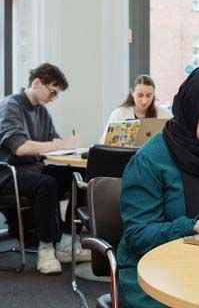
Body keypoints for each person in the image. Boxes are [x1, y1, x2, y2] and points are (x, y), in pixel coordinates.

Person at [117, 65, 199, 307]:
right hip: (153, 277)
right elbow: (138, 235)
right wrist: (193, 226)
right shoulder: (150, 160)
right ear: (192, 107)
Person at [0, 63, 89, 274]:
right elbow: (20, 148)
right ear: (37, 82)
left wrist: (69, 145)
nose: (53, 98)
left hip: (33, 170)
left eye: (56, 95)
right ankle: (46, 249)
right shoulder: (11, 106)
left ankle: (68, 241)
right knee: (47, 183)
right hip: (7, 173)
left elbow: (53, 141)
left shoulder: (42, 112)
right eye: (52, 92)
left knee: (79, 176)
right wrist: (60, 144)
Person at [100, 74, 171, 143]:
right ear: (132, 92)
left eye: (149, 96)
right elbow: (105, 142)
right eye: (140, 95)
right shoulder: (119, 114)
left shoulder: (164, 114)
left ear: (153, 94)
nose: (144, 101)